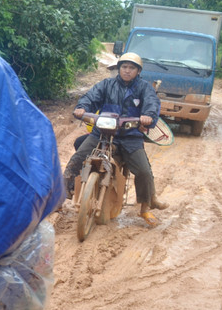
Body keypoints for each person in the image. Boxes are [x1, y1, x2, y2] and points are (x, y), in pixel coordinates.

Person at [62, 52, 169, 226]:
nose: (127, 71)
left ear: (138, 71)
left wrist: (147, 116)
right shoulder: (106, 85)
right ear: (119, 69)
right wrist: (82, 107)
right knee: (77, 159)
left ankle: (145, 208)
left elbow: (152, 104)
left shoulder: (144, 88)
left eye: (131, 68)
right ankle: (62, 197)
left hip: (130, 137)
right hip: (102, 133)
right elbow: (90, 98)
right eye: (124, 67)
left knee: (143, 171)